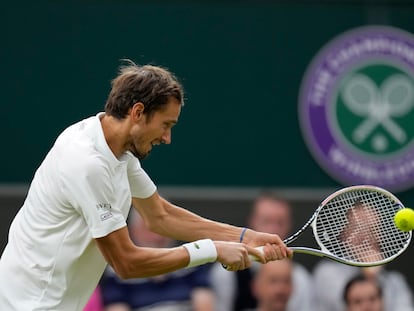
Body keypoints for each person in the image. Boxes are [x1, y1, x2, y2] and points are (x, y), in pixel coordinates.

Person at [0, 60, 292, 310]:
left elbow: (160, 216)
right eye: (166, 125)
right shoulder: (87, 163)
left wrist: (244, 237)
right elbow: (127, 263)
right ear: (138, 112)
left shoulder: (113, 149)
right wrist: (212, 250)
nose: (167, 138)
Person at [210, 191, 316, 311]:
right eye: (266, 221)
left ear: (289, 225)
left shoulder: (301, 278)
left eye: (280, 223)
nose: (273, 230)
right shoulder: (226, 272)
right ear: (252, 222)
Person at [100, 209, 215, 311]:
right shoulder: (117, 271)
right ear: (135, 231)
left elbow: (204, 304)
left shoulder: (193, 260)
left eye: (164, 227)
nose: (158, 236)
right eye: (150, 229)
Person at [313, 259, 414, 311]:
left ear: (383, 301)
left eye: (372, 299)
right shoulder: (326, 271)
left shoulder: (395, 280)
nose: (367, 307)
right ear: (347, 308)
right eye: (357, 302)